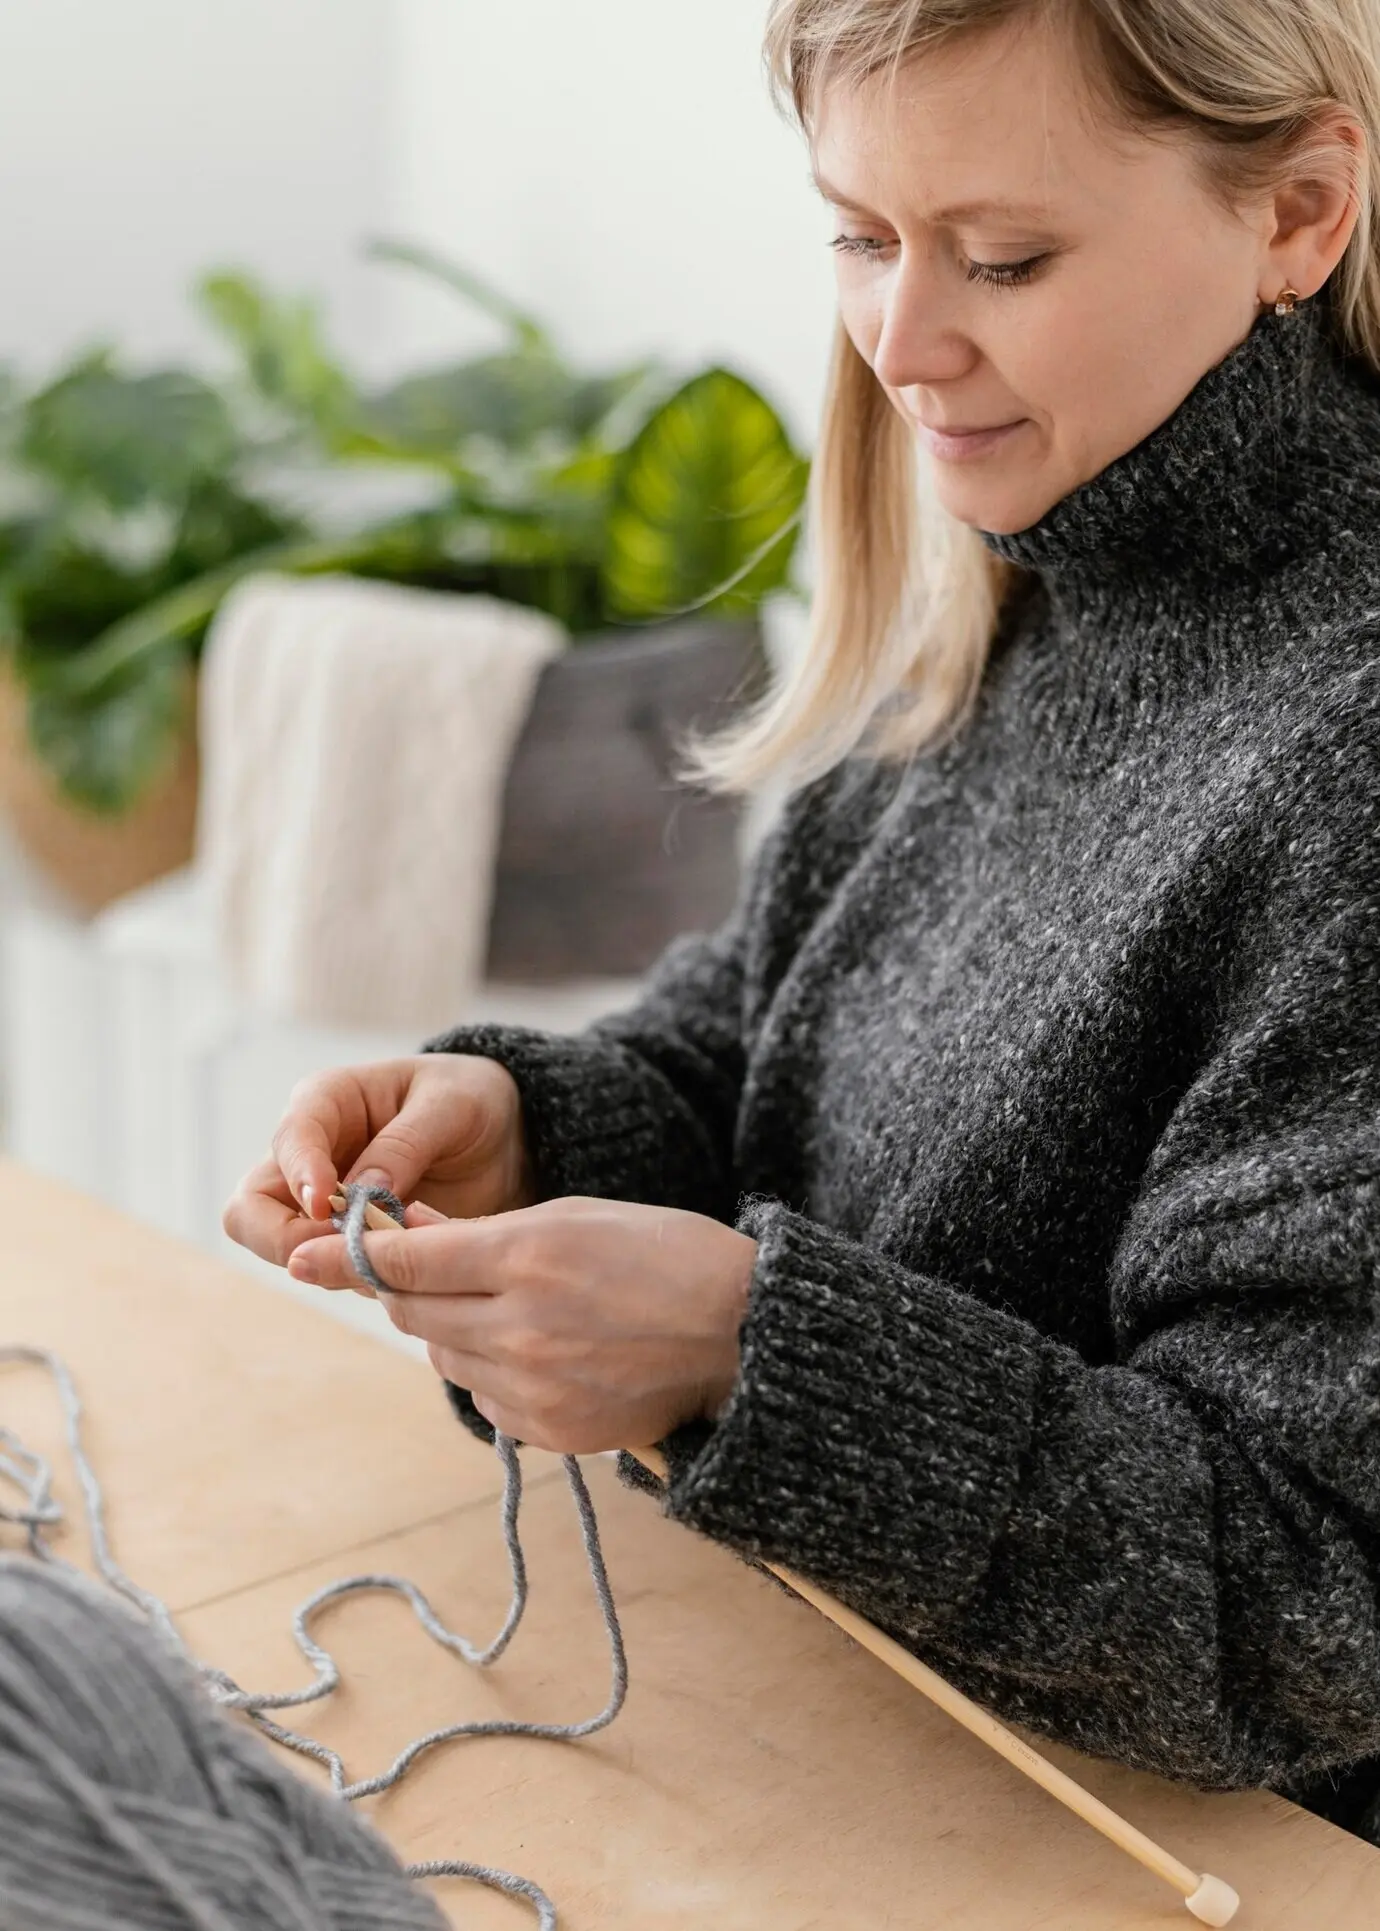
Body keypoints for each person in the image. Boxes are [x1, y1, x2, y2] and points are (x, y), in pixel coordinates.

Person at [226, 0, 1380, 1848]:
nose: (900, 342)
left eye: (1004, 258)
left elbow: (1309, 1608)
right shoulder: (1030, 559)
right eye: (858, 234)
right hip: (830, 1727)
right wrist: (533, 1128)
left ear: (1301, 211)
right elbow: (760, 1046)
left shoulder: (1344, 758)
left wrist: (751, 1351)